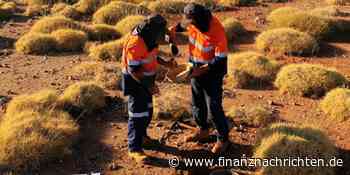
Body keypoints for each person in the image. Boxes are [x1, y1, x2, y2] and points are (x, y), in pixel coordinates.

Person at [169, 3, 230, 154]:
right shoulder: (191, 20)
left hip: (212, 71)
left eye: (193, 22)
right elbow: (180, 26)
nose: (190, 25)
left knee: (214, 106)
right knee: (197, 101)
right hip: (194, 65)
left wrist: (201, 70)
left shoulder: (217, 31)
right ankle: (203, 130)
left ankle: (223, 139)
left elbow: (220, 60)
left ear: (200, 20)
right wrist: (171, 32)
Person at [122, 14, 177, 163]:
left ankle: (143, 137)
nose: (162, 35)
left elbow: (151, 55)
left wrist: (165, 63)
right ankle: (134, 149)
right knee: (137, 115)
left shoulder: (150, 35)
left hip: (147, 79)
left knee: (147, 111)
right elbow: (134, 70)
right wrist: (149, 85)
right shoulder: (136, 43)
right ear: (153, 30)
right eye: (161, 32)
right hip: (136, 81)